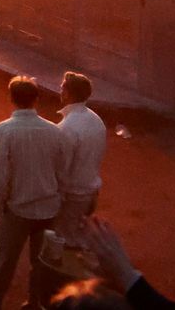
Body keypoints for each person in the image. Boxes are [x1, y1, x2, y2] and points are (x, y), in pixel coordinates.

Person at [0, 77, 63, 310]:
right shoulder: (53, 130)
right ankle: (35, 302)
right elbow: (60, 169)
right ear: (36, 99)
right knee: (40, 262)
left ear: (11, 99)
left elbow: (0, 174)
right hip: (49, 207)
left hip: (18, 208)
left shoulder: (4, 130)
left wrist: (0, 201)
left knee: (5, 261)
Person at [55, 72, 106, 230]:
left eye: (62, 87)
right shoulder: (96, 120)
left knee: (64, 241)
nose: (60, 90)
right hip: (91, 191)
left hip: (73, 197)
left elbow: (62, 169)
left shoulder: (66, 127)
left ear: (68, 93)